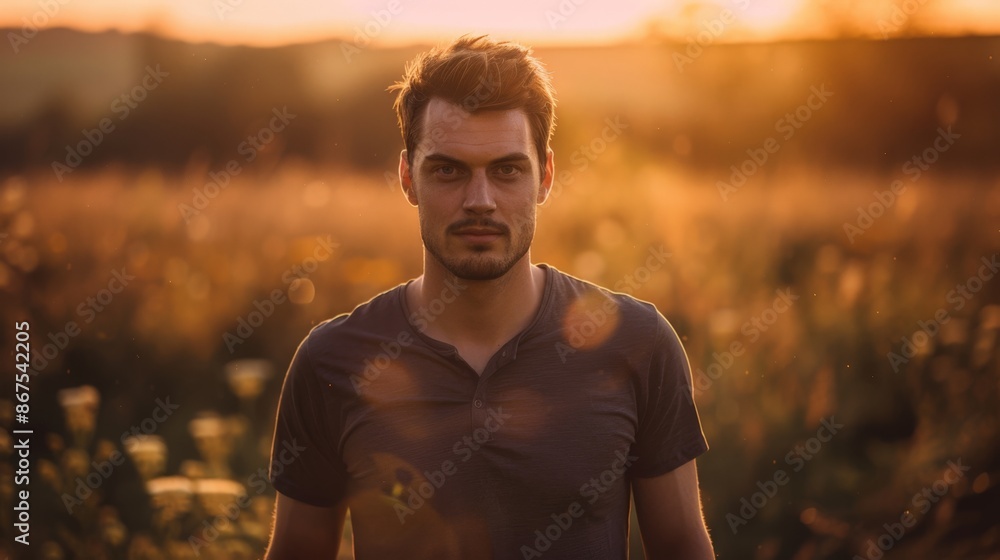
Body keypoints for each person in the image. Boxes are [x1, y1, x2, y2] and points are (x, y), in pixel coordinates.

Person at [264, 35, 715, 560]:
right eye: (448, 169)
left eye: (506, 170)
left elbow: (682, 546)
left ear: (544, 175)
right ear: (408, 176)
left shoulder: (638, 344)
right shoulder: (332, 361)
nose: (480, 201)